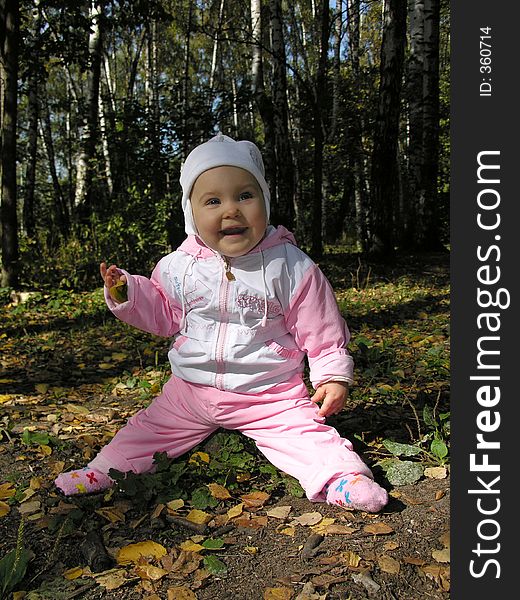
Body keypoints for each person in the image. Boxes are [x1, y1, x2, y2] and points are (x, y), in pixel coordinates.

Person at [54, 134, 388, 513]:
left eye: (245, 195)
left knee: (303, 435)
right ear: (191, 213)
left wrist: (332, 375)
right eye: (213, 201)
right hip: (190, 392)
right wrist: (128, 294)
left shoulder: (290, 265)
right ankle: (103, 471)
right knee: (146, 431)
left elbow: (321, 327)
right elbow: (165, 314)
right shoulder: (179, 266)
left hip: (268, 394)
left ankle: (342, 478)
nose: (231, 210)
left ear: (264, 201)